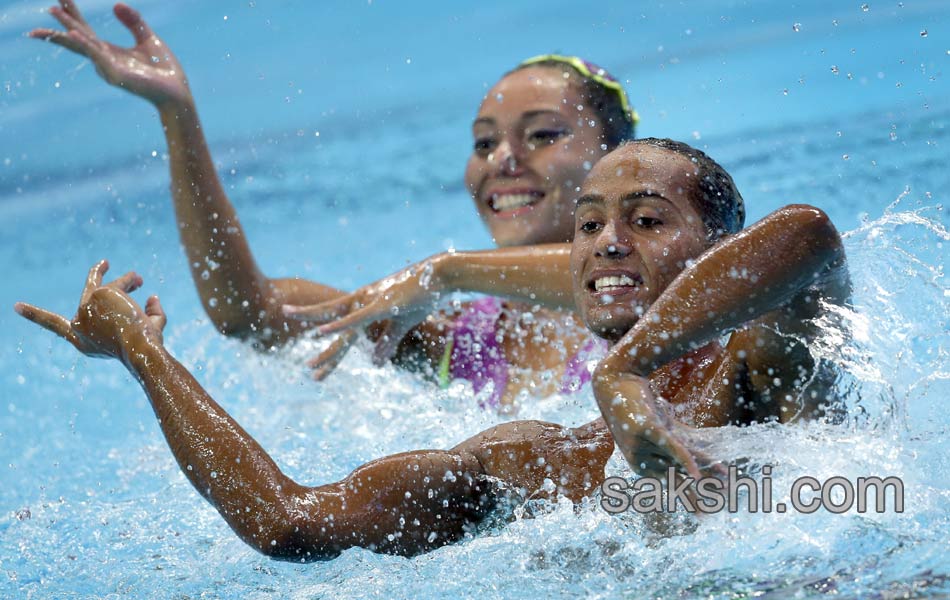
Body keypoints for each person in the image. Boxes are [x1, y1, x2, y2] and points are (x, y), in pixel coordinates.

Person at [16, 139, 849, 559]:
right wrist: (143, 355)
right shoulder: (533, 461)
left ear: (714, 248)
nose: (606, 243)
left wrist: (625, 371)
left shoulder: (764, 355)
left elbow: (807, 235)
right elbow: (288, 523)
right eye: (589, 223)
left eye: (647, 219)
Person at [30, 1, 639, 408]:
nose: (502, 160)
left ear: (619, 159)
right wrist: (177, 116)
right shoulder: (457, 338)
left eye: (542, 135)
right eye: (483, 142)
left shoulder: (669, 293)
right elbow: (251, 314)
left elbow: (622, 274)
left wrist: (443, 271)